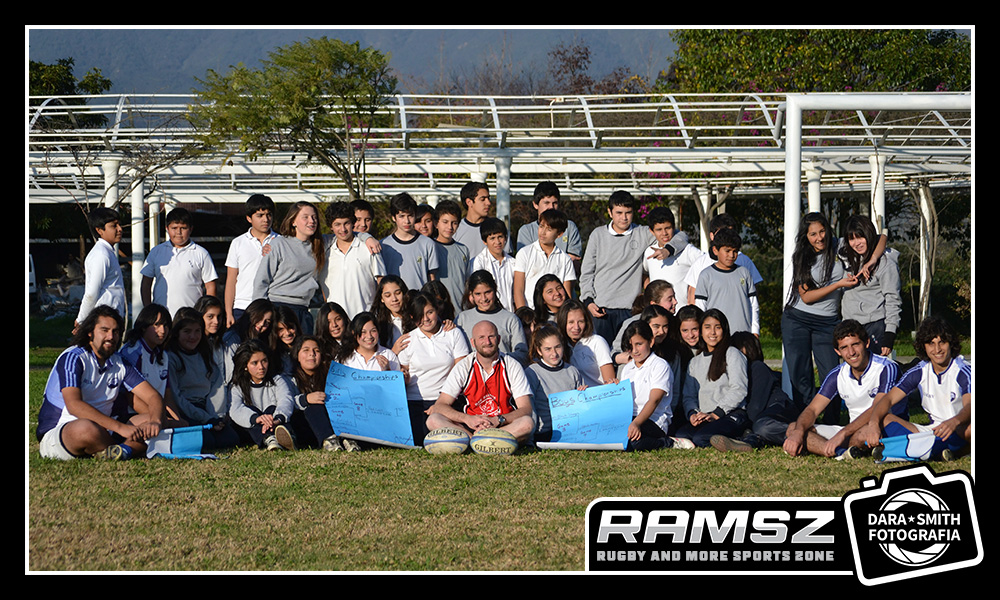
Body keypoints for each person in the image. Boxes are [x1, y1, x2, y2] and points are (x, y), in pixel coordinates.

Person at [37, 305, 164, 460]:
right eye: (104, 330)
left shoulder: (120, 362)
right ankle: (128, 448)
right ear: (90, 332)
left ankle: (119, 451)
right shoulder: (74, 357)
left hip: (107, 428)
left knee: (155, 419)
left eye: (115, 331)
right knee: (86, 429)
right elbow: (74, 405)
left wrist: (156, 422)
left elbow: (153, 396)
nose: (111, 336)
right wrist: (121, 429)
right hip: (64, 430)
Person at [783, 319, 904, 459]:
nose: (851, 352)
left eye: (855, 344)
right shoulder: (837, 374)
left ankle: (840, 449)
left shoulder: (887, 367)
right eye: (844, 347)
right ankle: (841, 453)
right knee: (794, 427)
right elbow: (812, 409)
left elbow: (878, 407)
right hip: (850, 430)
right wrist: (798, 432)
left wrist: (843, 434)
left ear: (866, 343)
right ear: (837, 351)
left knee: (860, 435)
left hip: (881, 425)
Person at [580, 190, 688, 344]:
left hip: (630, 310)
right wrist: (588, 301)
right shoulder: (597, 235)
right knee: (601, 356)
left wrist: (668, 249)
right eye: (619, 212)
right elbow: (586, 273)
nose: (624, 217)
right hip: (600, 309)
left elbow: (681, 235)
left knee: (630, 354)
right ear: (610, 212)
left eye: (628, 212)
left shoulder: (643, 233)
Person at [861, 316, 971, 461]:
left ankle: (952, 451)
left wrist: (955, 421)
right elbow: (887, 400)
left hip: (958, 428)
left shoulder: (963, 370)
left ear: (950, 343)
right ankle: (936, 451)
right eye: (931, 343)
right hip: (932, 431)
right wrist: (873, 424)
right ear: (924, 347)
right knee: (884, 418)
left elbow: (970, 405)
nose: (937, 349)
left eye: (942, 342)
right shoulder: (919, 371)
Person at [782, 212, 856, 423]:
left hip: (828, 322)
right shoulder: (801, 257)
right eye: (813, 234)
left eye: (822, 231)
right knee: (801, 374)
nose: (819, 237)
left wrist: (869, 264)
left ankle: (832, 421)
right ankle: (805, 421)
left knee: (831, 373)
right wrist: (838, 285)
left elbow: (879, 239)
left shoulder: (840, 245)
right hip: (797, 319)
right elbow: (806, 297)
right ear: (806, 236)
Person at [425, 320, 535, 443]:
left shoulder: (512, 365)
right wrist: (468, 419)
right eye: (481, 337)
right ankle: (476, 440)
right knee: (433, 420)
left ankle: (477, 441)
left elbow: (526, 408)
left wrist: (498, 420)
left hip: (501, 425)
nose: (487, 342)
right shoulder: (464, 366)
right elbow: (440, 405)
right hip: (471, 426)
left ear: (498, 339)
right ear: (473, 342)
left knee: (527, 423)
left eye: (491, 337)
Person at [397, 292, 471, 445]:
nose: (426, 319)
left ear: (437, 310)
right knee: (421, 440)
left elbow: (461, 370)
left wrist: (441, 403)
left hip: (449, 400)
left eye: (429, 312)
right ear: (412, 317)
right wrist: (402, 375)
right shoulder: (408, 340)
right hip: (416, 401)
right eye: (419, 315)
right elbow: (404, 374)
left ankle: (473, 438)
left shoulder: (453, 333)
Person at [709, 332, 801, 452]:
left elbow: (755, 407)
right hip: (763, 417)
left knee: (762, 426)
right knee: (759, 430)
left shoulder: (757, 367)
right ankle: (749, 442)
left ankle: (804, 432)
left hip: (778, 408)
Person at [674, 309, 750, 448]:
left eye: (718, 327)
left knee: (701, 438)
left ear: (724, 329)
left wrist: (717, 413)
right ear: (701, 331)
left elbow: (739, 389)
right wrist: (692, 414)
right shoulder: (695, 362)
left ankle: (744, 438)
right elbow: (689, 396)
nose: (712, 332)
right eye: (707, 327)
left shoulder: (732, 354)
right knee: (682, 435)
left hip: (730, 414)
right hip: (706, 416)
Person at [167, 307, 238, 450]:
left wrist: (216, 416)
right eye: (187, 332)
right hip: (184, 410)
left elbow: (216, 387)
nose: (192, 336)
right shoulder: (171, 357)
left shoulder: (205, 353)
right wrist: (205, 418)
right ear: (177, 333)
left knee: (231, 438)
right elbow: (175, 396)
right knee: (207, 441)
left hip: (206, 409)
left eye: (197, 331)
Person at [253, 201, 325, 335]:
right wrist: (259, 313)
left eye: (314, 217)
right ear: (293, 221)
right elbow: (261, 280)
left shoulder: (320, 245)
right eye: (305, 217)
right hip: (277, 308)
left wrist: (366, 237)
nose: (311, 221)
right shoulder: (279, 244)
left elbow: (347, 236)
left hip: (303, 310)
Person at [838, 215, 901, 356]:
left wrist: (889, 334)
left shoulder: (885, 263)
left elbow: (893, 299)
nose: (857, 243)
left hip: (875, 324)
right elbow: (882, 236)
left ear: (869, 235)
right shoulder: (845, 255)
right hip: (849, 325)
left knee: (874, 372)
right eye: (852, 239)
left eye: (861, 237)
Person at [140, 207, 218, 318]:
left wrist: (207, 314)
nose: (178, 232)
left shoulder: (201, 253)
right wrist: (149, 311)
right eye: (174, 228)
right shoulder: (157, 252)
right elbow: (146, 283)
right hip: (162, 317)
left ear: (190, 229)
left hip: (191, 317)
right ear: (167, 228)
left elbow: (211, 287)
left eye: (183, 228)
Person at [118, 303, 185, 426]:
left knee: (184, 425)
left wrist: (178, 421)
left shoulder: (163, 355)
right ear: (144, 326)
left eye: (165, 326)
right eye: (157, 325)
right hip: (130, 415)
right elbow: (132, 399)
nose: (162, 330)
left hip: (155, 414)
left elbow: (167, 395)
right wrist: (160, 419)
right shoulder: (132, 352)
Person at [619, 320, 680, 451]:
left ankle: (666, 442)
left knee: (633, 442)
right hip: (629, 418)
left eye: (639, 344)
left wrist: (636, 423)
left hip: (654, 420)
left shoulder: (660, 365)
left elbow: (654, 400)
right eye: (630, 346)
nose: (634, 350)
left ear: (651, 342)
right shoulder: (627, 368)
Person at [320, 201, 387, 320]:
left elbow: (381, 283)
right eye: (337, 224)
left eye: (346, 223)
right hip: (337, 323)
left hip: (366, 320)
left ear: (352, 223)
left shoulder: (369, 247)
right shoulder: (325, 252)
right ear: (331, 226)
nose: (343, 229)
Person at [228, 339, 297, 451]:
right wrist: (257, 418)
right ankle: (270, 438)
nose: (261, 367)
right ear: (245, 366)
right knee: (250, 412)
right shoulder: (237, 386)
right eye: (255, 363)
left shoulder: (277, 380)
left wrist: (278, 419)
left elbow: (286, 400)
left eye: (264, 361)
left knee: (271, 409)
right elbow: (236, 409)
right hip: (253, 427)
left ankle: (286, 437)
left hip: (275, 421)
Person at [684, 213, 764, 307]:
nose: (728, 236)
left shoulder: (744, 261)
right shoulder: (700, 264)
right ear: (712, 236)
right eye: (722, 233)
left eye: (731, 233)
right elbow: (692, 297)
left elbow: (753, 296)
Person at [224, 194, 279, 328]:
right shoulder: (238, 243)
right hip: (242, 307)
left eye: (269, 214)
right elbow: (231, 279)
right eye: (260, 215)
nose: (266, 219)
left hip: (272, 306)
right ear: (249, 218)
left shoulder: (281, 242)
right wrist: (228, 312)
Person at [523, 324, 585, 442]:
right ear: (539, 351)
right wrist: (530, 439)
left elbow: (581, 407)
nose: (554, 353)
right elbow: (530, 408)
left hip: (571, 430)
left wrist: (583, 394)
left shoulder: (572, 371)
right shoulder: (532, 372)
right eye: (548, 349)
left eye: (557, 347)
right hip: (544, 432)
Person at [693, 227, 759, 336]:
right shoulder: (706, 275)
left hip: (743, 334)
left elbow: (754, 304)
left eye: (735, 251)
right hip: (716, 336)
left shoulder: (744, 272)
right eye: (727, 251)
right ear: (715, 250)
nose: (732, 255)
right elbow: (700, 307)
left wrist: (755, 331)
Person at [456, 270, 529, 365]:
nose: (484, 298)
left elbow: (522, 354)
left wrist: (498, 359)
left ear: (495, 289)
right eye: (478, 294)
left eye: (487, 292)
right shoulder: (462, 319)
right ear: (471, 294)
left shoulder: (510, 319)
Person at [513, 208, 576, 311]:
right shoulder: (524, 253)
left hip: (556, 315)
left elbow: (566, 293)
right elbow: (518, 290)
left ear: (559, 234)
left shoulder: (565, 259)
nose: (543, 232)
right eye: (541, 226)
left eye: (549, 229)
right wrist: (524, 316)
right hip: (530, 313)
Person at [643, 205, 704, 310]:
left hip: (682, 313)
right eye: (659, 230)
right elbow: (644, 274)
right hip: (659, 315)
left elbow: (707, 264)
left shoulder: (687, 250)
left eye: (668, 228)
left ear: (674, 227)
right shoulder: (649, 252)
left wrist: (693, 293)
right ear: (651, 231)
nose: (664, 233)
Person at [287, 335, 342, 451]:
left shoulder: (331, 377)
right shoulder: (290, 381)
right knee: (313, 408)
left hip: (332, 423)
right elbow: (286, 403)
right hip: (305, 428)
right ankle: (330, 441)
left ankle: (346, 439)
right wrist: (305, 399)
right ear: (297, 355)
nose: (311, 354)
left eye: (316, 351)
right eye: (306, 350)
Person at [76, 207, 126, 331]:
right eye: (114, 226)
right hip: (104, 322)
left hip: (111, 319)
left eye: (119, 224)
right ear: (99, 230)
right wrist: (81, 320)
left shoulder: (108, 252)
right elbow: (92, 293)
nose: (120, 229)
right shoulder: (101, 255)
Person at [379, 193, 440, 292]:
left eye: (410, 216)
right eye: (401, 216)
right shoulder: (383, 245)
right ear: (394, 218)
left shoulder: (428, 244)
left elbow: (432, 278)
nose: (406, 221)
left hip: (420, 302)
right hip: (395, 303)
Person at [515, 181, 582, 263]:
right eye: (546, 203)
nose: (551, 207)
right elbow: (525, 262)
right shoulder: (526, 231)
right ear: (535, 205)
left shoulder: (569, 227)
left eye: (555, 203)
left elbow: (574, 260)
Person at [558, 299, 616, 388]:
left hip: (598, 396)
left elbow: (610, 382)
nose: (576, 327)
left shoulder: (597, 342)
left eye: (580, 321)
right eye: (571, 322)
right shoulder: (559, 345)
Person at [611, 280, 679, 354]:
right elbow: (616, 350)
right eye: (670, 299)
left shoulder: (676, 322)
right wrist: (620, 358)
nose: (675, 302)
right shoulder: (632, 323)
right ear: (653, 304)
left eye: (674, 297)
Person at [433, 199, 472, 317]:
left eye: (454, 223)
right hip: (438, 311)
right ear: (436, 223)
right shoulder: (430, 247)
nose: (449, 227)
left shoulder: (463, 250)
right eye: (445, 222)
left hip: (461, 311)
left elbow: (467, 281)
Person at [453, 181, 512, 258]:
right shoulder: (455, 229)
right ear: (469, 202)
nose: (488, 203)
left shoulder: (498, 228)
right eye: (483, 199)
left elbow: (508, 261)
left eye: (488, 198)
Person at [470, 217, 516, 312]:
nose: (497, 242)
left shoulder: (513, 263)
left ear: (506, 238)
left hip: (510, 314)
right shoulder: (478, 262)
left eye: (500, 237)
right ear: (484, 241)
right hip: (488, 313)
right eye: (492, 238)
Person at [370, 275, 410, 355]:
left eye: (398, 293)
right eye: (388, 296)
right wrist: (393, 352)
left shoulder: (417, 317)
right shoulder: (379, 324)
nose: (394, 299)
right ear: (382, 299)